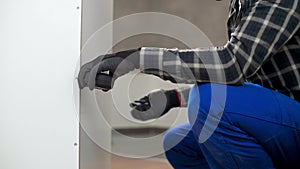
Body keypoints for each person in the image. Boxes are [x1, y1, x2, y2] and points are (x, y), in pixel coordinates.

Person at [78, 0, 300, 168]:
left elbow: (231, 65)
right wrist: (173, 98)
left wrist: (137, 58)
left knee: (208, 101)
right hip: (284, 119)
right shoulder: (242, 5)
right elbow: (242, 80)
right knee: (177, 143)